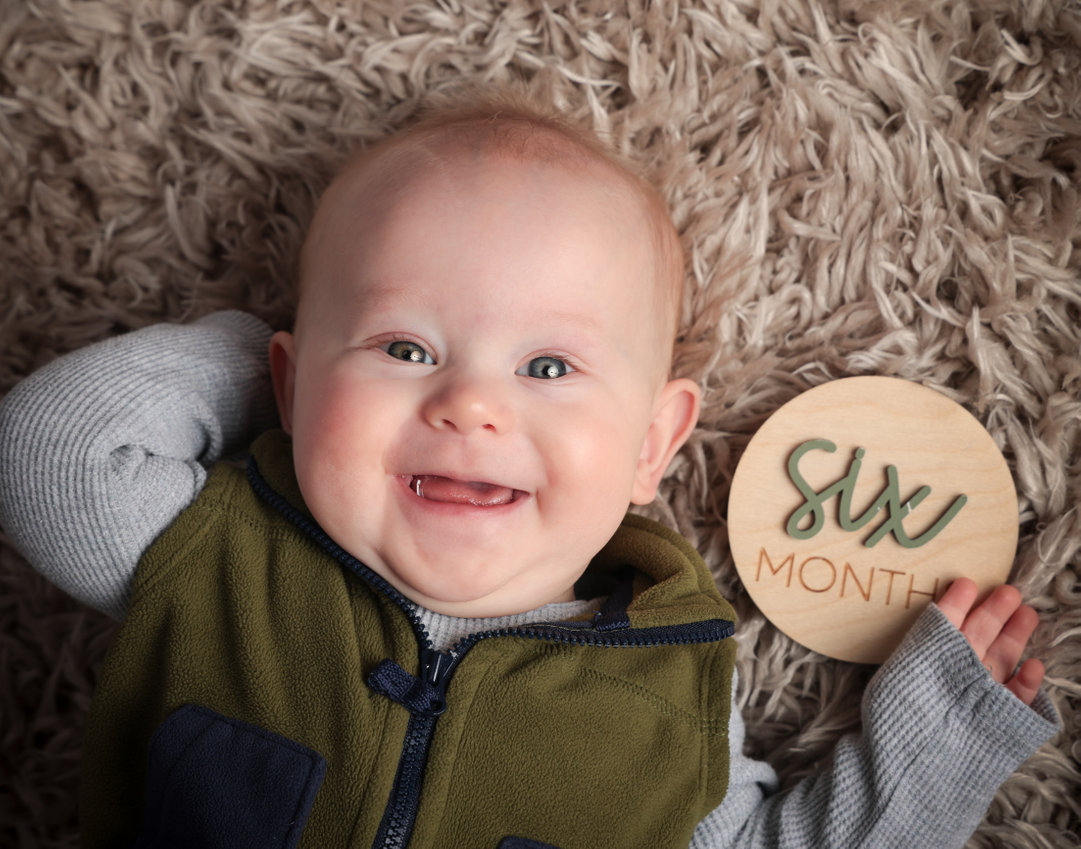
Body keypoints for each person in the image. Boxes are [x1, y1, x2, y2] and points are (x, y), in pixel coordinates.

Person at [0, 92, 1059, 849]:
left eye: (548, 365)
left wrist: (935, 740)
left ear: (651, 444)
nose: (470, 402)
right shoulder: (217, 557)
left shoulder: (667, 692)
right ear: (285, 385)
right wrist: (285, 368)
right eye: (403, 348)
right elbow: (45, 453)